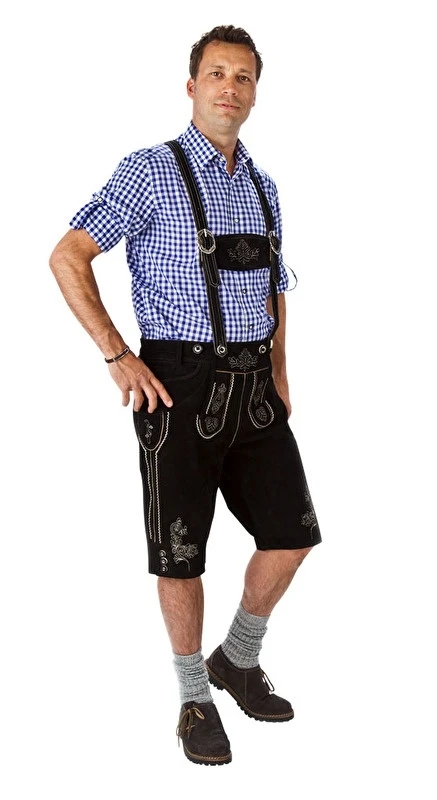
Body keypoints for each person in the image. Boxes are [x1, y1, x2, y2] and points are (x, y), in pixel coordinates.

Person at [49, 24, 321, 766]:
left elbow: (275, 285)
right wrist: (117, 354)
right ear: (192, 86)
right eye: (217, 74)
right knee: (181, 552)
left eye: (243, 77)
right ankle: (194, 697)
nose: (230, 87)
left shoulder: (263, 185)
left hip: (254, 384)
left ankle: (237, 657)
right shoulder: (150, 170)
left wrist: (280, 370)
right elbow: (68, 255)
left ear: (255, 93)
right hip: (178, 385)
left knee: (292, 535)